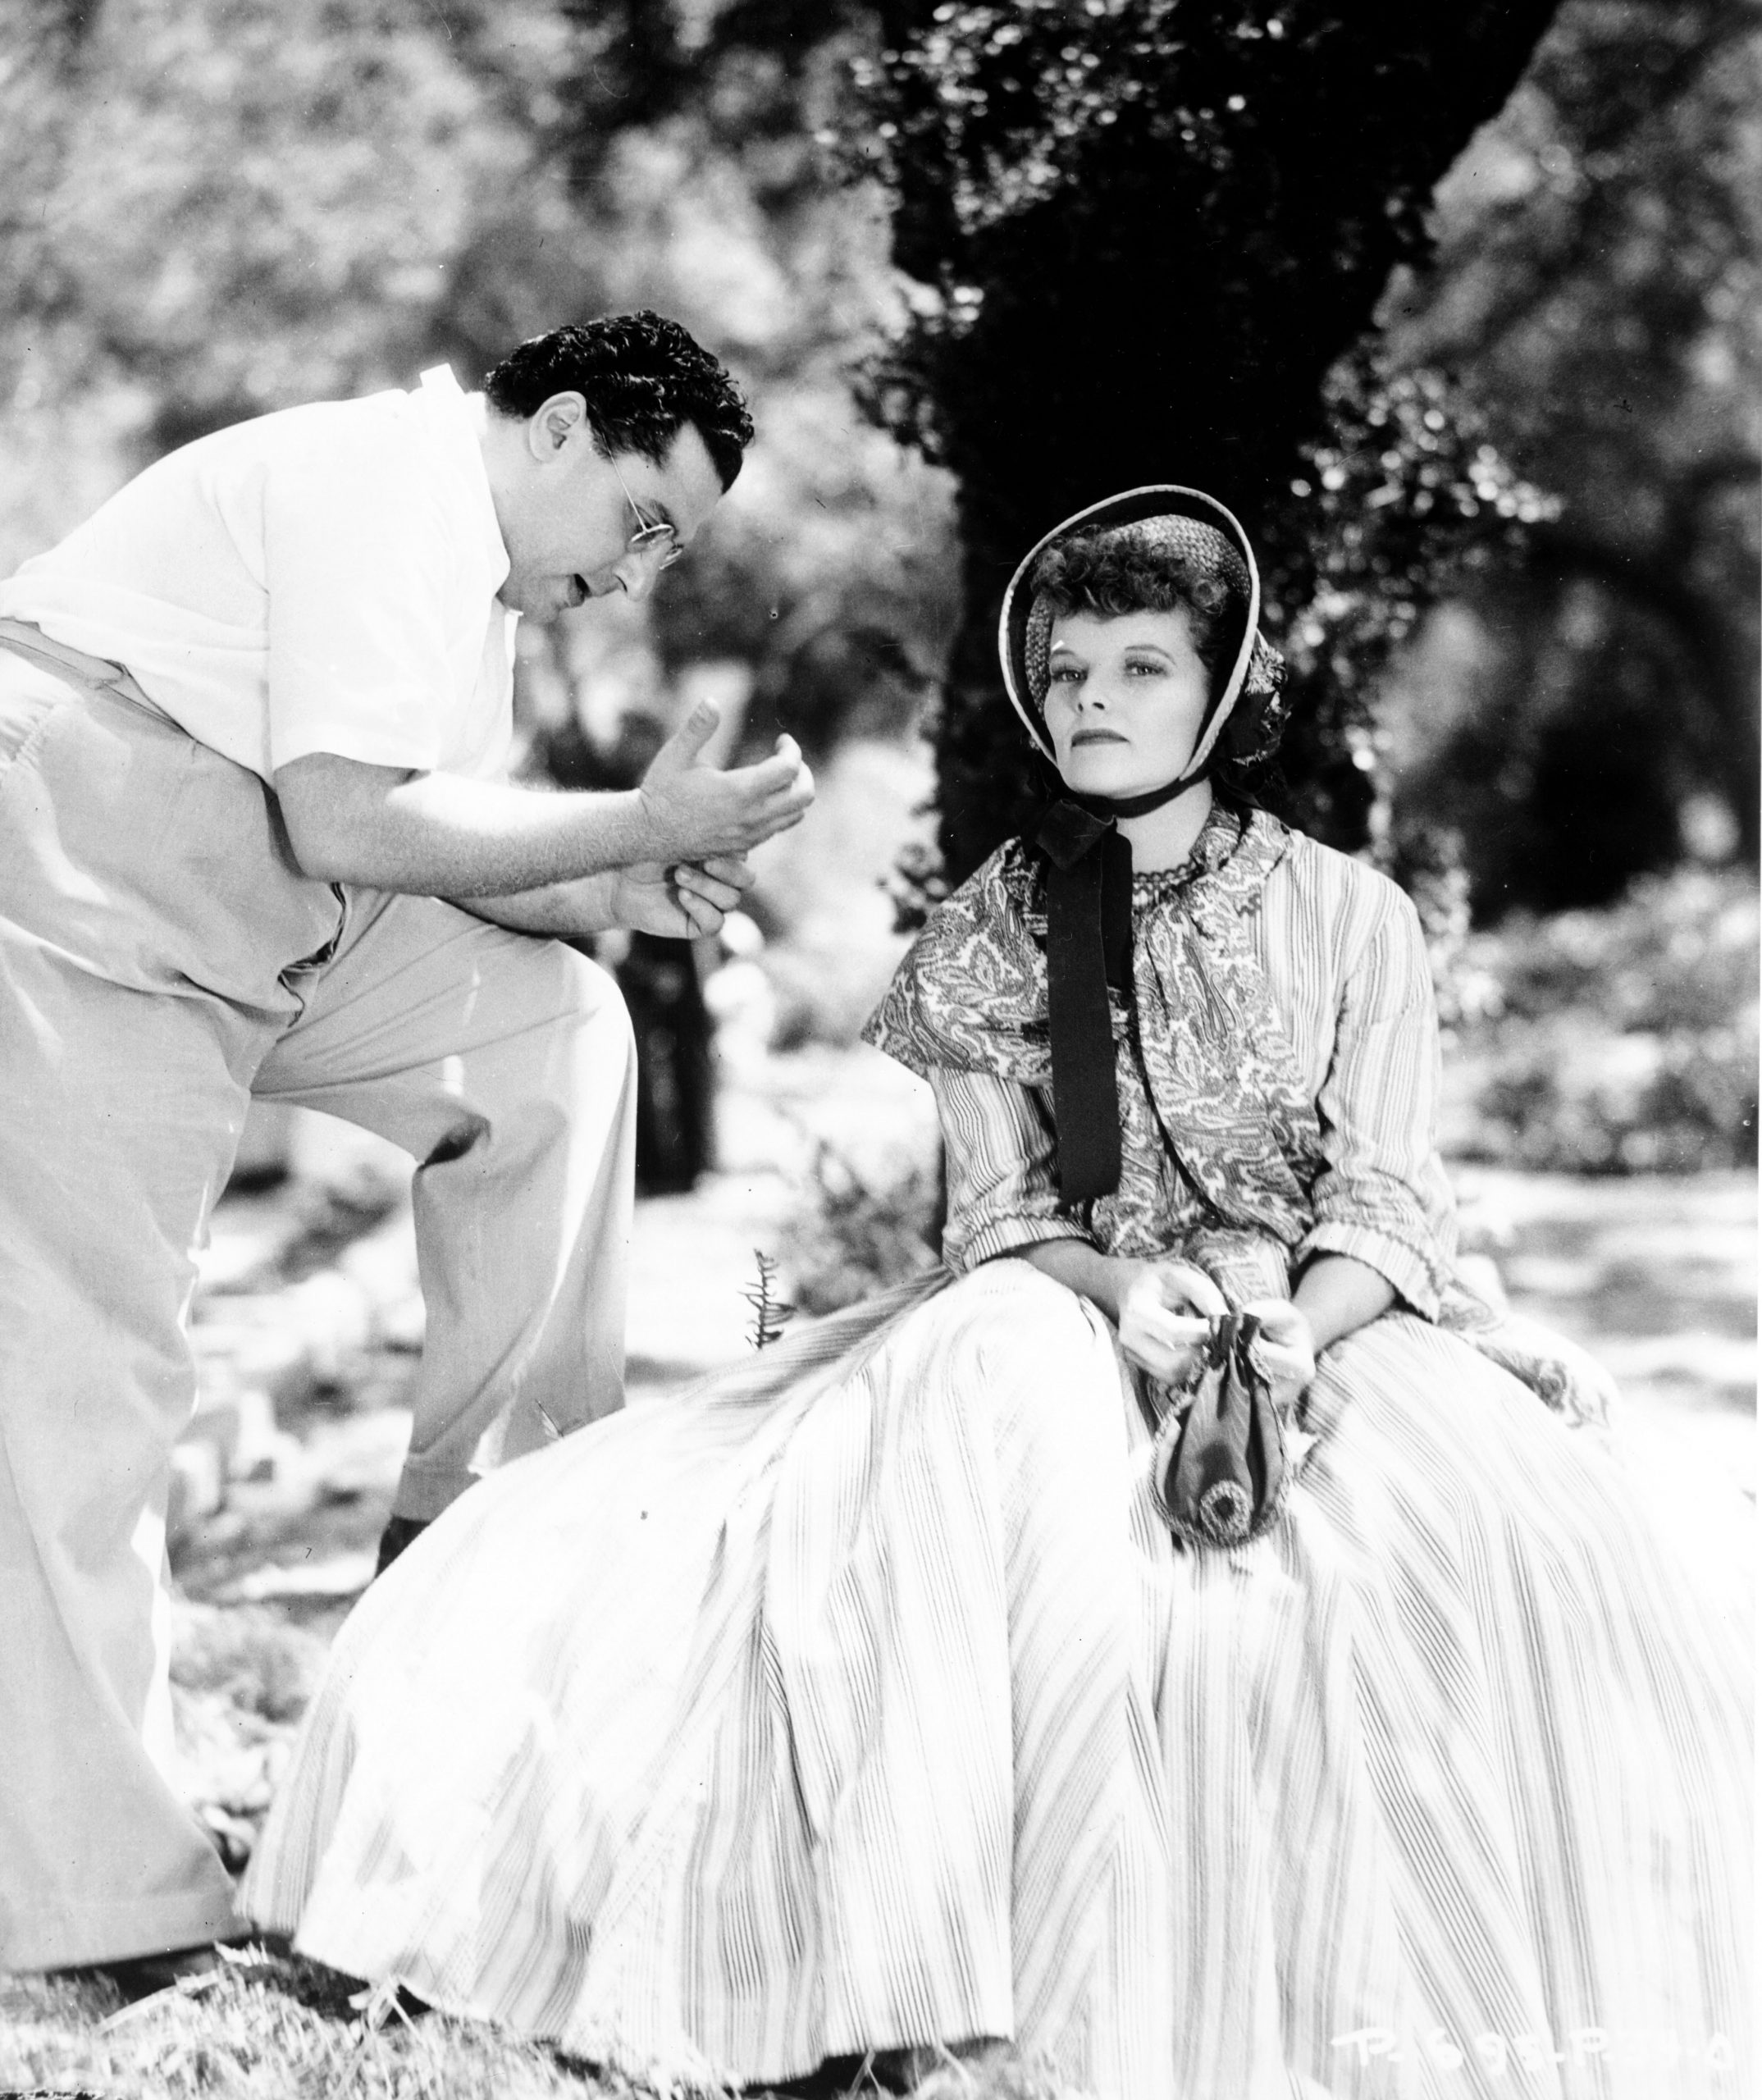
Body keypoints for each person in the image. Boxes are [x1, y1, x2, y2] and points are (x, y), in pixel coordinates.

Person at [244, 488, 1750, 2098]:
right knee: (968, 1416)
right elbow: (1004, 1205)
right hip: (1065, 1293)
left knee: (1461, 1549)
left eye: (1144, 666)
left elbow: (1389, 1191)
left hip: (1325, 1317)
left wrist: (1305, 1321)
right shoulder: (996, 920)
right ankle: (940, 1972)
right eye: (1073, 666)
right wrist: (1118, 1288)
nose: (1095, 695)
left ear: (1224, 693)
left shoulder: (1352, 916)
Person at [0, 312, 815, 1984]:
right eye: (644, 526)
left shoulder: (476, 583)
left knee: (561, 1039)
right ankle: (105, 1908)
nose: (639, 577)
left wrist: (611, 886)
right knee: (91, 1376)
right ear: (565, 429)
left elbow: (417, 842)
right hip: (92, 852)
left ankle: (472, 1540)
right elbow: (350, 815)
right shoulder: (395, 478)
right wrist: (638, 820)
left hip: (275, 900)